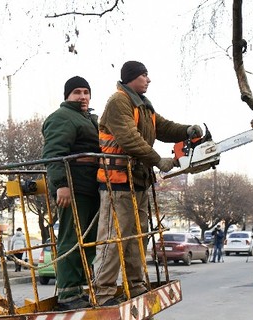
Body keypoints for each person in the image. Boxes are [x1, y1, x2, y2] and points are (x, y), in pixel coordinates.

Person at [92, 61, 202, 306]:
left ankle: (136, 284)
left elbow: (162, 127)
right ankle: (103, 292)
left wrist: (187, 131)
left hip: (137, 182)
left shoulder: (142, 105)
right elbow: (129, 139)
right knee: (114, 239)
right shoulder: (118, 102)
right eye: (144, 75)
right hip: (117, 182)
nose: (148, 80)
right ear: (132, 78)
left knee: (137, 238)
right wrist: (157, 160)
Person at [42, 76, 101, 311]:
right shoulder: (62, 117)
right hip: (74, 187)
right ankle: (67, 293)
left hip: (91, 187)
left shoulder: (88, 118)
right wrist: (61, 185)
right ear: (67, 96)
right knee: (71, 239)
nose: (83, 96)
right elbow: (54, 153)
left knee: (88, 241)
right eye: (77, 92)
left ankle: (80, 288)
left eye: (86, 92)